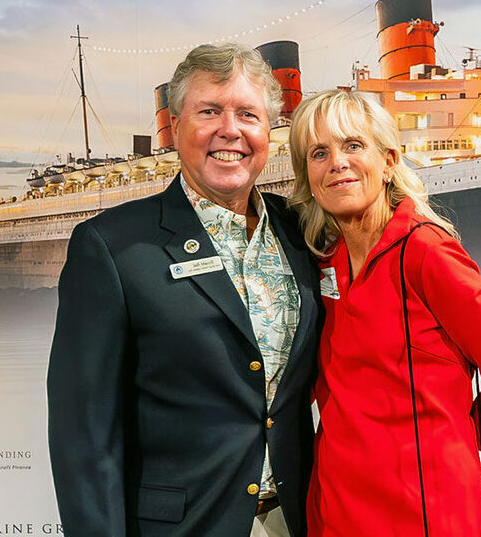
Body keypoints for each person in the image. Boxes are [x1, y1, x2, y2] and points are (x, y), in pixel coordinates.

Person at [47, 44, 322, 537]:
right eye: (209, 111)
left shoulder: (302, 229)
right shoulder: (112, 247)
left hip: (299, 518)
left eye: (248, 114)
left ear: (269, 130)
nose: (230, 130)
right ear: (174, 127)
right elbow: (84, 435)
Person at [288, 90, 481, 537]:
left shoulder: (427, 251)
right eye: (319, 153)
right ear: (307, 176)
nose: (337, 163)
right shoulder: (321, 262)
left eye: (353, 145)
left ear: (388, 161)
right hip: (337, 506)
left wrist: (452, 444)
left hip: (422, 509)